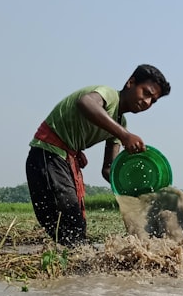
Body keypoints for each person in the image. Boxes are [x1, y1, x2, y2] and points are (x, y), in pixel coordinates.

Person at [26, 64, 171, 246]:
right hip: (48, 154)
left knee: (73, 227)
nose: (147, 103)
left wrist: (135, 190)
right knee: (70, 222)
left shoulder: (120, 123)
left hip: (64, 160)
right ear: (131, 82)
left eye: (153, 101)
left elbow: (108, 168)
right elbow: (85, 103)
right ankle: (72, 264)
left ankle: (68, 264)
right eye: (146, 93)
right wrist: (124, 136)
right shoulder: (108, 95)